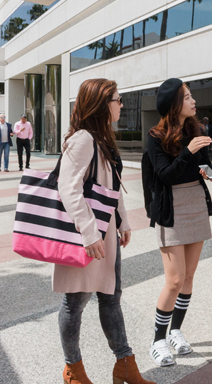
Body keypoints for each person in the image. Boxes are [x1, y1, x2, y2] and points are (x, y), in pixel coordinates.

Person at [55, 78, 153, 384]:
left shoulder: (101, 139)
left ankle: (125, 364)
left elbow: (109, 187)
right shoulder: (83, 139)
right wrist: (88, 232)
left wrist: (122, 220)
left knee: (111, 297)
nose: (121, 105)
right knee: (75, 303)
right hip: (87, 236)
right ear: (101, 104)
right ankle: (73, 370)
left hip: (104, 232)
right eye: (117, 100)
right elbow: (67, 188)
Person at [145, 79, 212, 367]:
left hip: (195, 203)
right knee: (174, 280)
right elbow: (166, 175)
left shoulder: (195, 130)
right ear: (174, 104)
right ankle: (158, 340)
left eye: (191, 96)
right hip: (171, 208)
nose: (193, 100)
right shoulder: (155, 136)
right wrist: (188, 151)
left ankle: (176, 331)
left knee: (188, 278)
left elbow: (201, 167)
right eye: (187, 97)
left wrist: (208, 171)